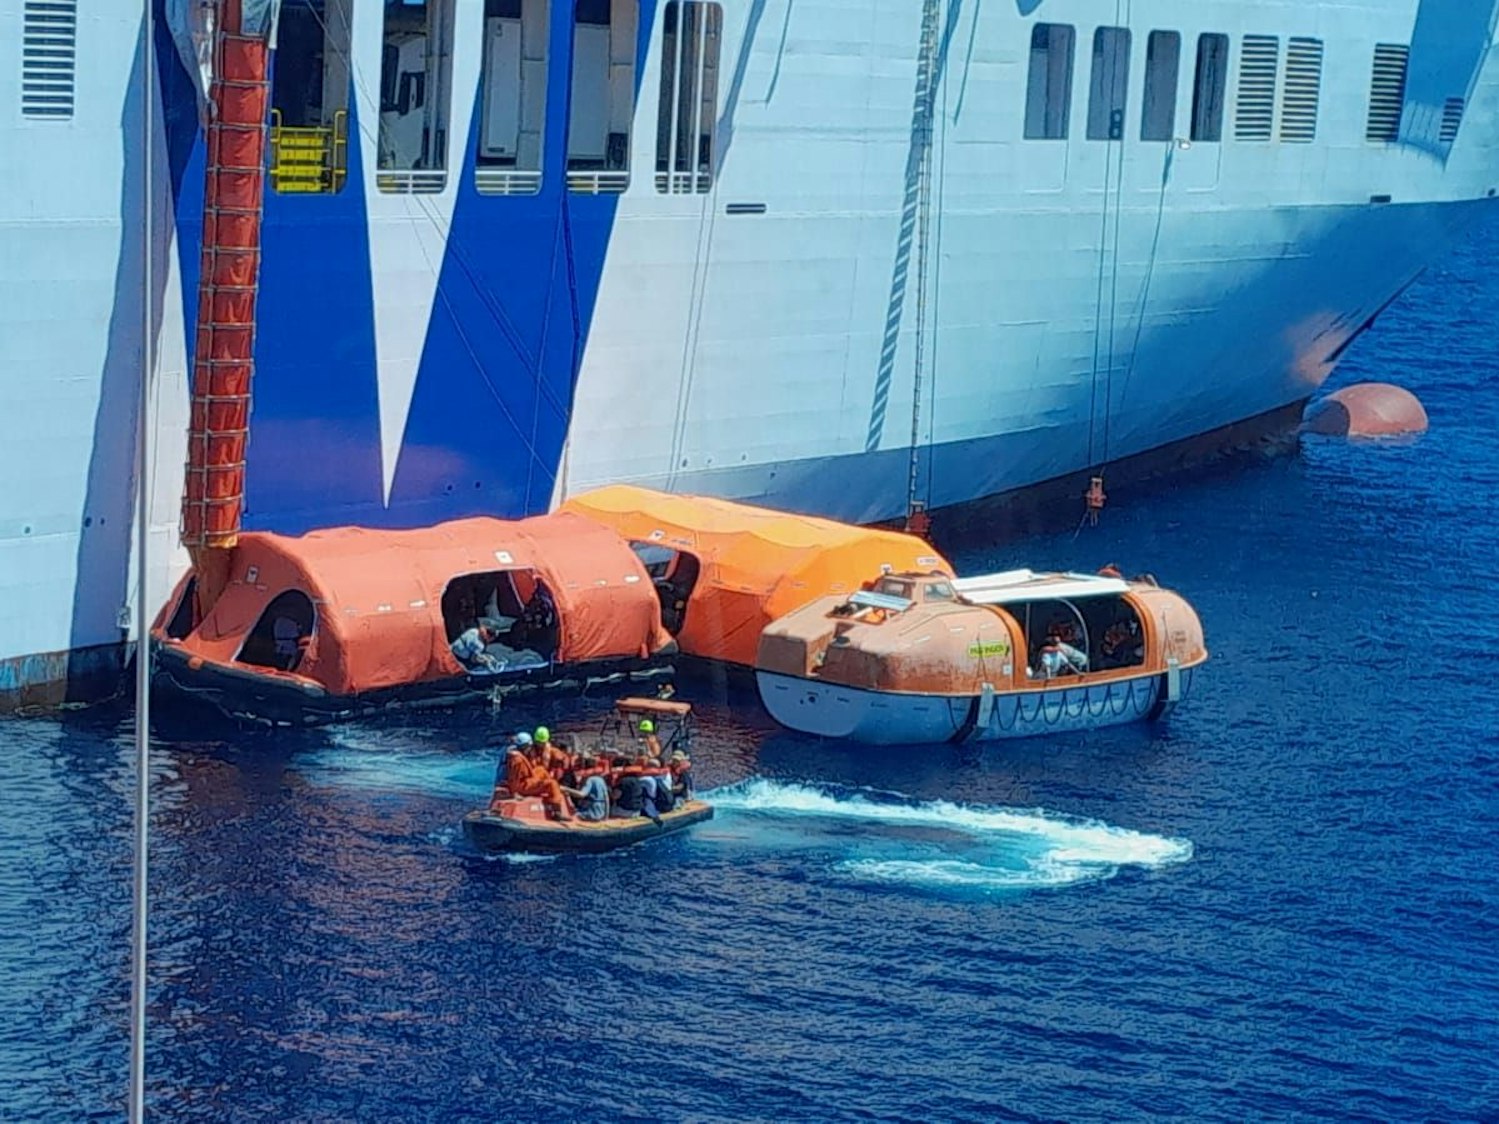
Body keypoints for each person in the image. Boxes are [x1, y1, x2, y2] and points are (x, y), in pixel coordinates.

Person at [494, 732, 573, 820]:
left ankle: (553, 791)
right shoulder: (517, 760)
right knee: (552, 783)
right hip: (522, 786)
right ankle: (557, 812)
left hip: (525, 780)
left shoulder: (516, 754)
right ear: (524, 746)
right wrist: (515, 793)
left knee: (541, 770)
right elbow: (514, 779)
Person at [563, 753, 610, 822]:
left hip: (590, 813)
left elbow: (582, 794)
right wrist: (606, 816)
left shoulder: (590, 780)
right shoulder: (601, 780)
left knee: (572, 816)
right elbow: (606, 798)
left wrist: (565, 789)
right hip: (600, 813)